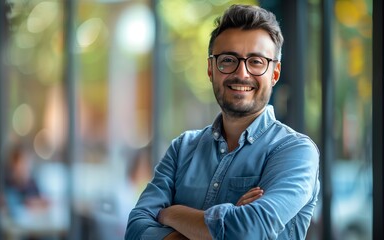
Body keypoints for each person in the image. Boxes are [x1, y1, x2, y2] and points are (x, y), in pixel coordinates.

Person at [125, 4, 320, 240]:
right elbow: (135, 229)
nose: (242, 73)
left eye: (256, 62)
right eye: (228, 60)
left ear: (275, 73)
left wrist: (170, 214)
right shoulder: (182, 148)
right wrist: (226, 222)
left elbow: (248, 230)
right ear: (211, 68)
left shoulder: (295, 151)